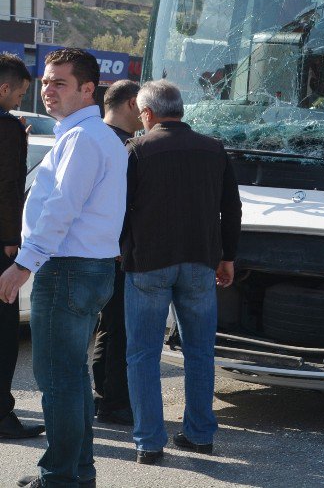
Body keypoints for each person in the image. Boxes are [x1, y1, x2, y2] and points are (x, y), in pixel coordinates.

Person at [0, 48, 127, 488]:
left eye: (60, 83)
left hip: (70, 268)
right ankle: (76, 473)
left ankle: (59, 477)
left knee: (58, 381)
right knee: (69, 379)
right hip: (85, 268)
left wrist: (22, 264)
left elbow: (61, 209)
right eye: (46, 81)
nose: (47, 91)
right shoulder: (93, 135)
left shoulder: (84, 138)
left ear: (88, 89)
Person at [123, 79, 241, 465]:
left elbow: (121, 209)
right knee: (200, 352)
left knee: (143, 354)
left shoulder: (138, 149)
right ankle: (200, 435)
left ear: (147, 113)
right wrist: (228, 256)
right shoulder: (213, 148)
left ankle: (149, 443)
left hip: (148, 264)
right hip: (201, 261)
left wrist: (124, 254)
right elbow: (232, 208)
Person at [92, 79, 142, 426]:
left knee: (108, 328)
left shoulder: (93, 137)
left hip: (100, 250)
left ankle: (103, 398)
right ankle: (114, 404)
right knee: (119, 328)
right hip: (118, 252)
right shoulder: (123, 146)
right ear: (132, 103)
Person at [0, 53, 44, 441]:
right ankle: (1, 416)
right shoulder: (9, 128)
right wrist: (14, 240)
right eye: (19, 93)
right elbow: (11, 187)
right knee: (3, 334)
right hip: (0, 242)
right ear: (4, 87)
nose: (19, 102)